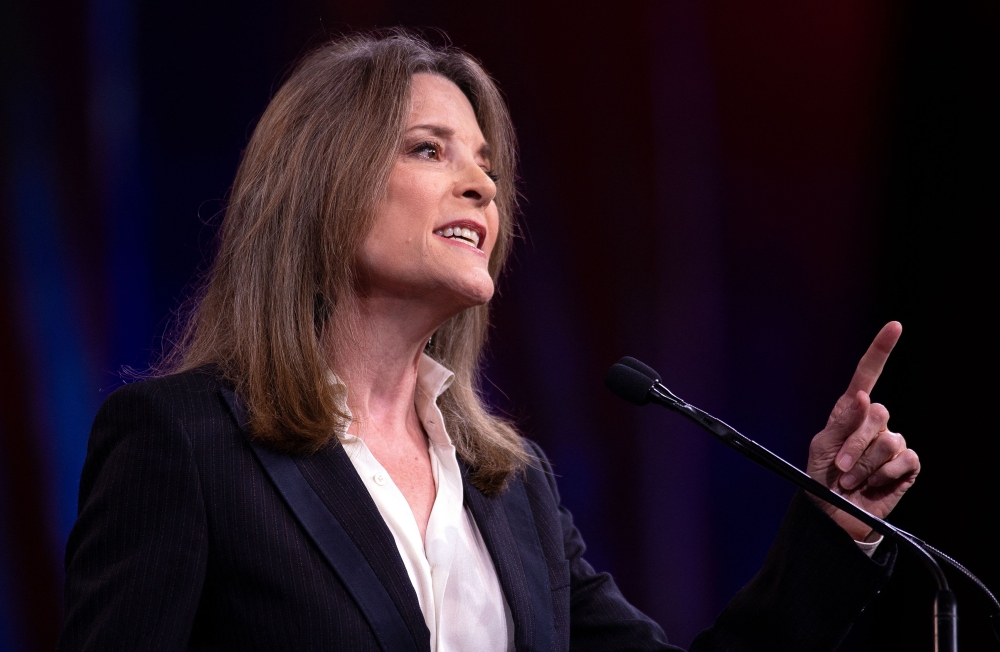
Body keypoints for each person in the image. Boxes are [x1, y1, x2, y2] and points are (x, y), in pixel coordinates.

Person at [57, 30, 920, 651]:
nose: (479, 184)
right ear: (325, 189)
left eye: (489, 169)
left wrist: (832, 528)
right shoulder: (184, 442)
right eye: (430, 151)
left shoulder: (513, 493)